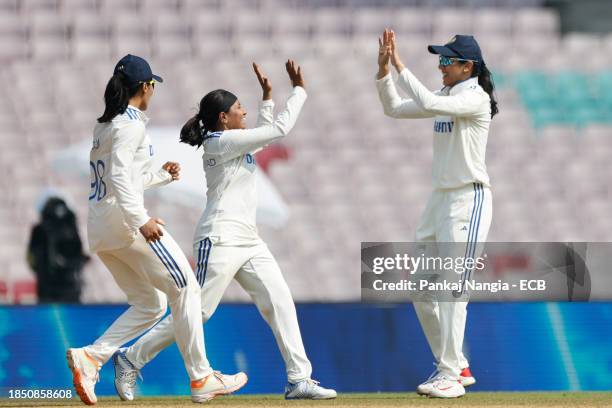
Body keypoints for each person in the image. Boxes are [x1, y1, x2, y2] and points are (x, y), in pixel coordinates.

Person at [112, 60, 337, 401]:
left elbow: (259, 139)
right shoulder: (220, 143)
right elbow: (277, 132)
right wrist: (299, 91)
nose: (243, 113)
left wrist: (266, 99)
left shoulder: (234, 140)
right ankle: (130, 358)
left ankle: (298, 379)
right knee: (197, 311)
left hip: (249, 240)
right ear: (223, 118)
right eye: (239, 109)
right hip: (219, 239)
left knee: (280, 301)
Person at [66, 54, 246, 405]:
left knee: (151, 304)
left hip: (102, 229)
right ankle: (201, 377)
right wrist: (141, 221)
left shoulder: (105, 126)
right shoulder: (129, 125)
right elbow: (119, 179)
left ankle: (92, 356)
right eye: (152, 86)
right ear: (145, 86)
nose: (153, 91)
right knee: (188, 289)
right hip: (125, 224)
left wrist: (161, 176)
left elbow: (124, 178)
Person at [376, 30, 498, 398]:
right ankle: (455, 362)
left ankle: (449, 375)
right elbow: (394, 108)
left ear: (467, 66)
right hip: (439, 201)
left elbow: (425, 98)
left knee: (451, 287)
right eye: (440, 60)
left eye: (447, 61)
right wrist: (383, 72)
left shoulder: (475, 98)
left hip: (468, 199)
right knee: (419, 287)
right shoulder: (446, 95)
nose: (441, 66)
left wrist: (400, 64)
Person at [27, 196, 89, 303]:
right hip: (48, 288)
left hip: (70, 286)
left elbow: (79, 253)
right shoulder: (40, 230)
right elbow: (31, 257)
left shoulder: (71, 229)